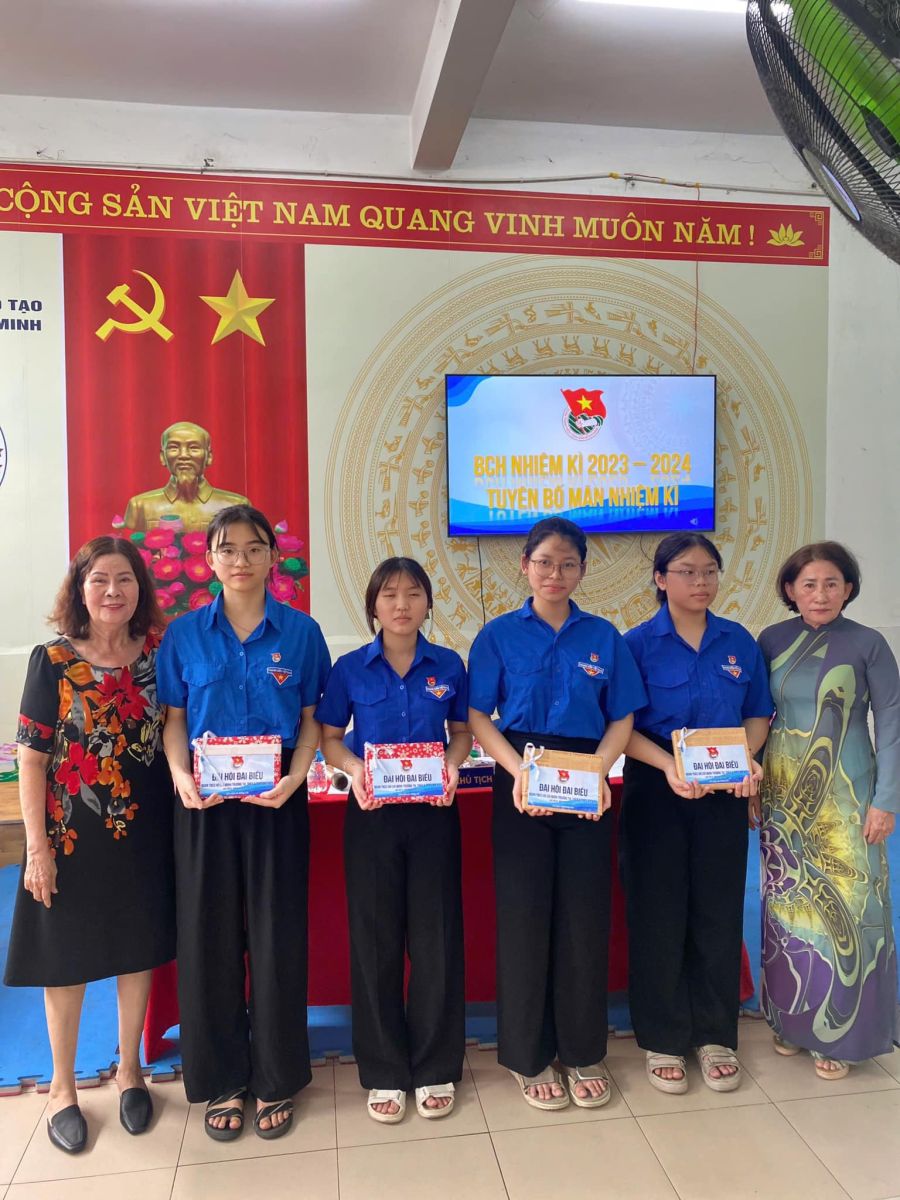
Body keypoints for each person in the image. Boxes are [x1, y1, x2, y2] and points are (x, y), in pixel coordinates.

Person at [156, 504, 330, 1140]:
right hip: (204, 801)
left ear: (272, 557)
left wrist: (297, 777)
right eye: (227, 549)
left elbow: (312, 719)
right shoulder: (183, 636)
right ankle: (223, 1078)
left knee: (277, 936)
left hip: (277, 796)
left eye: (254, 547)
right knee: (210, 938)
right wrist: (180, 777)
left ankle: (277, 1076)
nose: (241, 560)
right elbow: (175, 721)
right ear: (209, 560)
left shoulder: (302, 632)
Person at [468, 517, 645, 1110]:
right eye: (544, 562)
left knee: (584, 917)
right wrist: (517, 770)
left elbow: (622, 716)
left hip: (586, 780)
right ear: (525, 566)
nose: (555, 573)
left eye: (568, 564)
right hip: (521, 778)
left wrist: (598, 770)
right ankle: (528, 1055)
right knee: (524, 917)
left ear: (583, 571)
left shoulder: (604, 637)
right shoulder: (497, 635)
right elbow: (478, 716)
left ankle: (582, 1049)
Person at [4, 538, 174, 1154]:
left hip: (144, 832)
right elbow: (30, 758)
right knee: (65, 958)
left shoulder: (157, 655)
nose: (112, 591)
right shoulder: (51, 660)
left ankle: (130, 1071)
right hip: (68, 836)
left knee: (137, 949)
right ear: (80, 588)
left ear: (140, 589)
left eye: (124, 579)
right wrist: (37, 850)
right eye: (99, 579)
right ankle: (62, 1088)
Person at [317, 557, 471, 1123]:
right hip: (372, 814)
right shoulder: (349, 669)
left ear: (428, 603)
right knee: (376, 941)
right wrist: (354, 769)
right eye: (389, 595)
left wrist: (453, 764)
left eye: (412, 594)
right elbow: (330, 739)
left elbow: (461, 732)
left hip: (433, 814)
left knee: (436, 941)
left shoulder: (449, 665)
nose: (401, 605)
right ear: (374, 606)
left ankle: (435, 1064)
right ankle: (383, 1068)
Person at [620, 533, 772, 1094]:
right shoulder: (635, 645)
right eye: (687, 571)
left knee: (717, 910)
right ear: (661, 579)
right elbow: (621, 726)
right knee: (657, 912)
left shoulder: (739, 641)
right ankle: (662, 1038)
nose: (701, 582)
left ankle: (715, 1034)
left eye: (710, 571)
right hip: (657, 787)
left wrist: (745, 759)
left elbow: (757, 712)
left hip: (723, 790)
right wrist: (669, 766)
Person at [759, 542, 899, 1078]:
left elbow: (892, 722)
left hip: (850, 793)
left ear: (849, 589)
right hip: (782, 791)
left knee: (854, 905)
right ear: (790, 590)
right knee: (787, 907)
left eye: (832, 584)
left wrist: (886, 800)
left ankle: (844, 1036)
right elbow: (757, 716)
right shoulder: (771, 640)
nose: (821, 594)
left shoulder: (868, 644)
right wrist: (752, 784)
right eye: (809, 584)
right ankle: (790, 1021)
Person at [124, 420, 248, 532]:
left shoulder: (235, 506)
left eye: (194, 448)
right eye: (174, 448)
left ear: (209, 456)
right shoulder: (140, 507)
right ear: (162, 457)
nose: (183, 455)